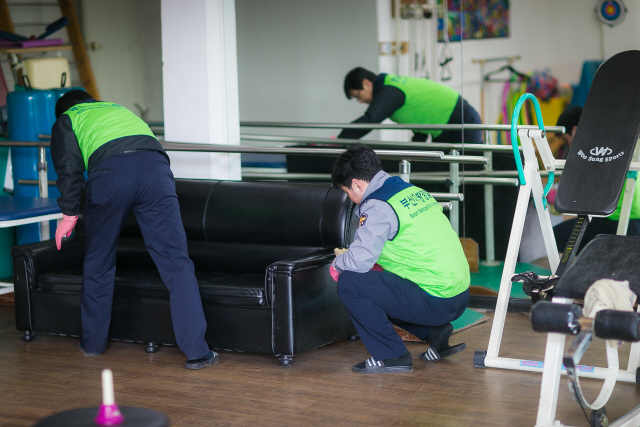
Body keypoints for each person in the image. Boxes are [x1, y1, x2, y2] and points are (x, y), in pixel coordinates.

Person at [50, 89, 217, 370]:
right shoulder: (118, 108)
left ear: (64, 109)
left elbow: (69, 168)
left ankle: (93, 344)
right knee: (176, 262)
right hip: (156, 170)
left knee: (99, 261)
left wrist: (69, 214)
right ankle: (197, 352)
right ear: (91, 100)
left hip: (111, 173)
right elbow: (147, 147)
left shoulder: (67, 119)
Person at [329, 144, 470, 374]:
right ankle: (434, 333)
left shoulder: (378, 206)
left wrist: (337, 264)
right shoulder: (408, 190)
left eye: (348, 193)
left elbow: (358, 261)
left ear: (356, 183)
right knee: (377, 284)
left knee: (350, 283)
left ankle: (392, 356)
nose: (351, 199)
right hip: (459, 293)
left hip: (438, 300)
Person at [550, 105, 640, 253]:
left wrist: (552, 195)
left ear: (575, 130)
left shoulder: (593, 152)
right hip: (629, 218)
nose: (568, 145)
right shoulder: (615, 141)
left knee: (558, 236)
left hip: (618, 221)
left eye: (566, 140)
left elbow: (580, 194)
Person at [339, 67, 482, 143]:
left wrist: (339, 140)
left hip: (462, 122)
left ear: (366, 83)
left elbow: (370, 121)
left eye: (358, 96)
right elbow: (419, 112)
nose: (360, 101)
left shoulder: (388, 90)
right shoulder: (390, 84)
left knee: (467, 177)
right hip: (445, 128)